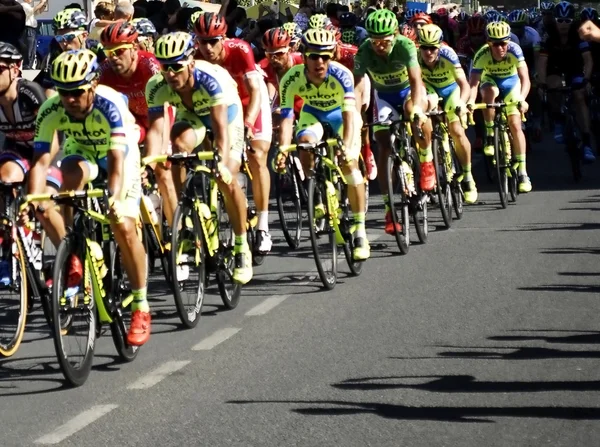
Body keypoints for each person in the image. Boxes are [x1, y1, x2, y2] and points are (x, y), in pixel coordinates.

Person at [29, 49, 150, 346]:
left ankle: (140, 305)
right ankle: (73, 249)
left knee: (122, 224)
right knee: (63, 180)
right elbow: (42, 162)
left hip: (119, 156)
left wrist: (115, 198)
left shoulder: (110, 105)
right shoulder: (51, 109)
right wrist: (35, 199)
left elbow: (117, 161)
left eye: (77, 92)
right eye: (63, 92)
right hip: (82, 152)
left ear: (93, 85)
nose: (69, 100)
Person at [145, 32, 253, 284]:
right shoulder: (156, 85)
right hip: (191, 113)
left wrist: (223, 165)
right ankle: (185, 214)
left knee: (227, 177)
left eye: (176, 67)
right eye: (164, 67)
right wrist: (149, 160)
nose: (170, 74)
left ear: (190, 63)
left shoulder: (211, 80)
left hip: (226, 115)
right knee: (178, 147)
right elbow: (155, 130)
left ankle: (241, 246)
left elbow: (221, 132)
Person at [275, 29, 370, 260]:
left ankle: (360, 231)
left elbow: (349, 116)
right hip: (313, 114)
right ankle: (315, 185)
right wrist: (282, 149)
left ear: (332, 56)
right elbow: (287, 118)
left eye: (325, 56)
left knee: (350, 168)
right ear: (304, 56)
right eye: (314, 56)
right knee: (304, 143)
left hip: (340, 115)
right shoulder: (291, 78)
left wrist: (347, 147)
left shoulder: (342, 74)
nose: (320, 62)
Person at [194, 13, 273, 256]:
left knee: (257, 155)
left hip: (249, 103)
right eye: (202, 41)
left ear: (224, 38)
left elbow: (255, 91)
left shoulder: (241, 50)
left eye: (213, 41)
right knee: (215, 161)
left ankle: (263, 225)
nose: (207, 48)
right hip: (219, 109)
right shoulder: (194, 57)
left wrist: (249, 121)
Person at [353, 9, 434, 236]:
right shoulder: (364, 52)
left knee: (413, 112)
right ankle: (389, 210)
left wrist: (418, 108)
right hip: (384, 97)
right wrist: (357, 116)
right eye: (375, 41)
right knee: (383, 142)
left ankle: (426, 162)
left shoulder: (405, 46)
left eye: (385, 41)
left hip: (408, 92)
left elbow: (416, 80)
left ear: (395, 35)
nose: (379, 45)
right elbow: (359, 87)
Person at [0, 42, 61, 284]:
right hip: (17, 149)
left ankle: (70, 257)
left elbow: (52, 140)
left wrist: (39, 171)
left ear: (15, 69)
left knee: (42, 205)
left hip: (50, 149)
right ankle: (9, 248)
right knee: (4, 181)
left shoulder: (30, 93)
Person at [469, 21, 532, 193]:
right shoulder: (482, 54)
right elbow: (473, 84)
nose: (500, 47)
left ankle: (523, 173)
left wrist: (522, 99)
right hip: (490, 81)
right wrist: (470, 102)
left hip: (512, 83)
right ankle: (490, 134)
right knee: (488, 92)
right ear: (489, 43)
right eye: (495, 44)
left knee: (515, 123)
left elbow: (525, 78)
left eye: (504, 42)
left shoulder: (515, 50)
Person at [417, 25, 477, 204]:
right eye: (424, 48)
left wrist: (461, 102)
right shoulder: (415, 58)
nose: (428, 52)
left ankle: (468, 177)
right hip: (430, 90)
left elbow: (464, 84)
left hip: (451, 90)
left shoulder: (448, 54)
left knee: (456, 130)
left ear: (439, 46)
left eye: (433, 48)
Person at [98, 21, 161, 144]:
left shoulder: (150, 67)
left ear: (134, 48)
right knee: (123, 141)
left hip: (160, 116)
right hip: (135, 120)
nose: (114, 57)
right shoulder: (104, 71)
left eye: (119, 51)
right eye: (108, 53)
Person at [19, 0, 48, 68]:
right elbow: (33, 10)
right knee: (29, 48)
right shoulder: (24, 5)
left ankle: (30, 65)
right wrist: (41, 2)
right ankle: (26, 65)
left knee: (33, 49)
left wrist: (44, 4)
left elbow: (38, 11)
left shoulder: (29, 6)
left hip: (33, 29)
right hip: (28, 29)